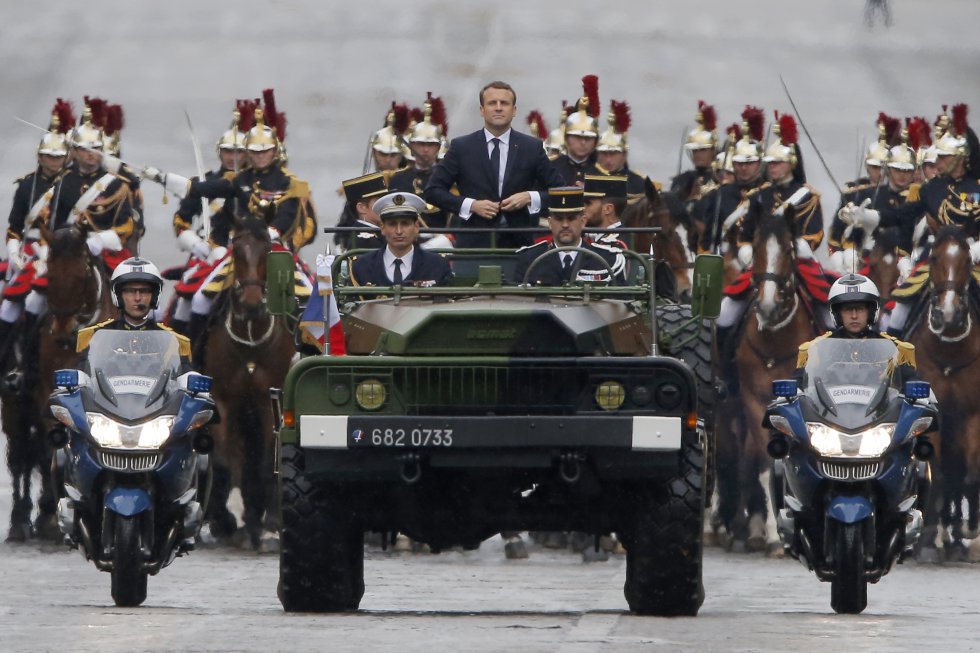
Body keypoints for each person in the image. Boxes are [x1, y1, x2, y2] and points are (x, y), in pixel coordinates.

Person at [425, 80, 565, 249]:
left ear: (514, 111)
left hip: (519, 245)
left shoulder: (532, 147)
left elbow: (560, 191)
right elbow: (433, 191)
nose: (498, 108)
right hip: (474, 244)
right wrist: (471, 205)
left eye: (504, 103)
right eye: (492, 103)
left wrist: (529, 197)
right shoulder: (462, 147)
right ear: (482, 110)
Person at [169, 105, 248, 334]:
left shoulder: (253, 186)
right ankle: (183, 346)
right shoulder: (203, 182)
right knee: (185, 298)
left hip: (245, 253)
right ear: (219, 153)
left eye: (239, 152)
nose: (233, 158)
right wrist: (196, 245)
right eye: (228, 152)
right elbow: (180, 221)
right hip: (206, 254)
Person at [795, 273, 917, 385]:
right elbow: (798, 385)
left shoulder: (896, 350)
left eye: (860, 309)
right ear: (837, 313)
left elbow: (913, 385)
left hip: (881, 409)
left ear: (871, 312)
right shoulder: (816, 350)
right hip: (828, 409)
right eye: (847, 309)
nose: (854, 316)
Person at [76, 257, 191, 367]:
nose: (137, 298)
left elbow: (181, 376)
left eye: (144, 291)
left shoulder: (175, 342)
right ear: (118, 296)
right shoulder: (93, 338)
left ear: (154, 296)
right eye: (130, 291)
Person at [512, 186, 627, 286]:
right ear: (550, 223)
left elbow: (622, 303)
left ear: (583, 222)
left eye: (571, 218)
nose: (565, 225)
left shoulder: (607, 260)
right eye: (559, 219)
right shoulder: (530, 259)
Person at [350, 192, 452, 287]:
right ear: (382, 228)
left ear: (416, 227)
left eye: (405, 224)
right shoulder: (362, 266)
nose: (399, 231)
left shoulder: (437, 265)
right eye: (392, 224)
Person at [389, 93, 451, 230]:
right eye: (420, 144)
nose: (425, 150)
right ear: (411, 147)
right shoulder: (398, 179)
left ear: (438, 147)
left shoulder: (450, 178)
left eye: (430, 145)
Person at [551, 76, 603, 187]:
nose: (583, 142)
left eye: (588, 138)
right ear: (566, 138)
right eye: (577, 137)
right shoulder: (550, 167)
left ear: (595, 141)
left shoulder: (603, 171)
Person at [595, 99, 647, 198]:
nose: (608, 160)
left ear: (624, 155)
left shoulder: (639, 183)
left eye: (614, 153)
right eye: (604, 153)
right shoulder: (587, 179)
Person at [335, 172, 388, 251]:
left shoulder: (376, 234)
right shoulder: (366, 241)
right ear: (362, 208)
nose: (386, 206)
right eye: (378, 202)